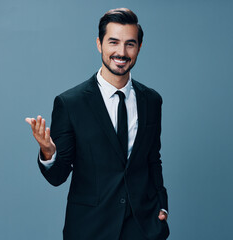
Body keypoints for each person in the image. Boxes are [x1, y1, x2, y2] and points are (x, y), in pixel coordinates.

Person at [26, 8, 169, 240]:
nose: (121, 52)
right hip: (90, 229)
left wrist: (161, 205)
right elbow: (57, 177)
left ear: (139, 48)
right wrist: (49, 152)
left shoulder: (152, 101)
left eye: (130, 44)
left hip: (143, 228)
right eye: (113, 42)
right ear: (99, 44)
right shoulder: (71, 103)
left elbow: (153, 158)